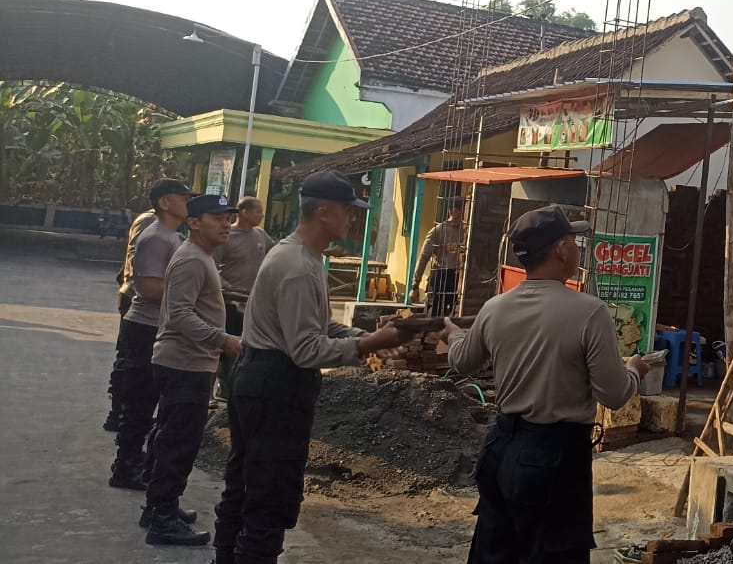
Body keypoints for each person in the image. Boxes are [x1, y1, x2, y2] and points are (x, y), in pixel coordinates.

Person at [212, 171, 414, 564]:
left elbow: (317, 324)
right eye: (347, 210)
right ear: (322, 211)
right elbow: (305, 349)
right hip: (275, 384)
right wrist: (368, 344)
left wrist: (364, 334)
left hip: (259, 377)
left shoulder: (301, 256)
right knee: (269, 497)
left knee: (245, 483)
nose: (352, 218)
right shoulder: (298, 266)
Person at [440, 205, 648, 564]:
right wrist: (634, 370)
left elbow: (461, 361)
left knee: (494, 551)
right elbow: (613, 394)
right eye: (573, 242)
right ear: (561, 250)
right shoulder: (590, 312)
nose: (577, 250)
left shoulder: (495, 308)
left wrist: (455, 334)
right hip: (555, 458)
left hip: (500, 449)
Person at [142, 194, 243, 546]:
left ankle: (157, 507)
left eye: (229, 217)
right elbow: (181, 315)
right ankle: (162, 520)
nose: (226, 224)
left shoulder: (201, 256)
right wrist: (224, 340)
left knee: (169, 437)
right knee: (178, 444)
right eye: (218, 217)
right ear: (195, 223)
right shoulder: (191, 260)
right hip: (185, 363)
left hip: (188, 362)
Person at [110, 179, 193, 489]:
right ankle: (125, 466)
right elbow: (149, 289)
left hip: (156, 326)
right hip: (146, 326)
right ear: (165, 202)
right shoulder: (156, 237)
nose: (187, 202)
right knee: (140, 402)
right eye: (182, 197)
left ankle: (133, 460)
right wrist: (191, 296)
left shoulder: (171, 236)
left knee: (148, 400)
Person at [213, 196, 275, 401]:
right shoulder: (227, 236)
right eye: (258, 211)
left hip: (251, 302)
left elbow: (276, 253)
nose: (262, 215)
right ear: (244, 212)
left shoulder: (261, 235)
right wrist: (226, 286)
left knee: (247, 346)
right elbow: (212, 266)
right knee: (226, 346)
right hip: (229, 302)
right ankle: (221, 388)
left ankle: (235, 387)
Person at [106, 208, 158, 432]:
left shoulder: (159, 223)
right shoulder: (151, 221)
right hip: (136, 296)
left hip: (136, 293)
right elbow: (137, 260)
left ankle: (126, 413)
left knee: (135, 357)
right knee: (131, 357)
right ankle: (119, 413)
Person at [412, 197, 466, 317]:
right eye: (463, 209)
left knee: (453, 314)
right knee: (434, 313)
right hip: (440, 276)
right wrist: (415, 285)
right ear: (456, 211)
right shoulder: (437, 231)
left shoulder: (466, 231)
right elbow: (423, 257)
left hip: (458, 278)